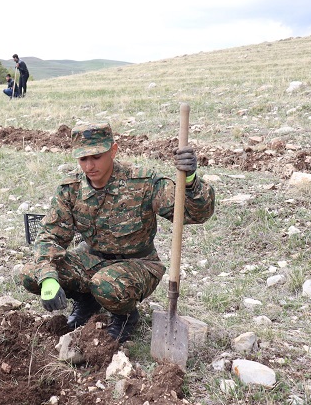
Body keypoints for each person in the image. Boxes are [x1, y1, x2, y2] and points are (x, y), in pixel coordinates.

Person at [19, 122, 215, 342]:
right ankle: (86, 302)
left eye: (97, 157)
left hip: (139, 262)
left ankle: (125, 316)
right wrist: (48, 278)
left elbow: (193, 214)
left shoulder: (143, 181)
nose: (90, 165)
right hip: (91, 258)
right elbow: (50, 235)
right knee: (31, 273)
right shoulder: (71, 189)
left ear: (113, 150)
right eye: (83, 159)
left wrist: (189, 181)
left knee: (105, 284)